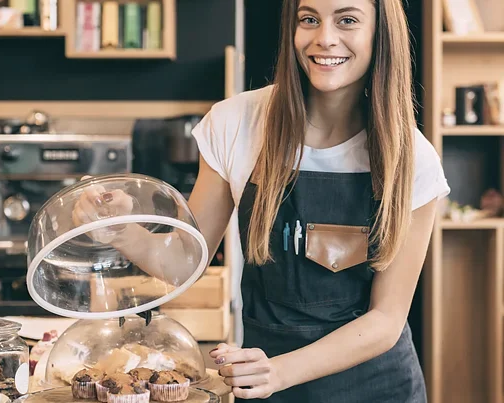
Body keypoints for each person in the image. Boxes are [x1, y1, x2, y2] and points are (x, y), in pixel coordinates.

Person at [72, 0, 451, 400]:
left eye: (347, 20)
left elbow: (386, 320)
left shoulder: (412, 159)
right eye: (309, 19)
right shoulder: (236, 124)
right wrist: (118, 228)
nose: (324, 38)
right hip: (266, 384)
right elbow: (183, 259)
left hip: (375, 387)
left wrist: (279, 371)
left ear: (380, 34)